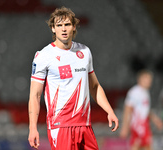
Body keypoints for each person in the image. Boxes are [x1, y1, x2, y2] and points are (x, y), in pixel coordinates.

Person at [28, 6, 119, 150]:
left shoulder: (84, 51)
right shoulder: (44, 56)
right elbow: (35, 95)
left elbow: (94, 86)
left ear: (74, 27)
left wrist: (109, 110)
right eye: (59, 25)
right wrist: (32, 128)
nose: (63, 29)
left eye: (67, 24)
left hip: (85, 126)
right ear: (53, 28)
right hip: (61, 126)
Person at [120, 70, 163, 150]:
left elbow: (146, 110)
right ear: (140, 79)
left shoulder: (145, 92)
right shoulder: (134, 92)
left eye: (150, 79)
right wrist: (125, 127)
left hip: (144, 123)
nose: (149, 81)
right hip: (138, 124)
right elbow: (127, 109)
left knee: (144, 145)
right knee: (141, 145)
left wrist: (156, 120)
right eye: (147, 79)